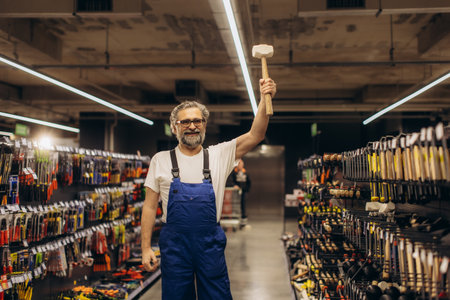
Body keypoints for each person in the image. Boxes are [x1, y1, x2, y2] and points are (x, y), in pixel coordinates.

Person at [141, 78, 277, 300]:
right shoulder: (161, 160)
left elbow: (256, 135)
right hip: (174, 244)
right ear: (174, 127)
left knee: (217, 296)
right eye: (185, 122)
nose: (192, 126)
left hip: (209, 243)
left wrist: (264, 99)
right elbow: (148, 207)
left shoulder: (219, 155)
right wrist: (146, 247)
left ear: (205, 124)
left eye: (198, 121)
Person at [227, 159, 251, 226]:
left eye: (241, 164)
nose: (240, 166)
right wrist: (234, 185)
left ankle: (243, 221)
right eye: (239, 164)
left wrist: (246, 190)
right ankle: (235, 219)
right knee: (235, 206)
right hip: (235, 193)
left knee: (243, 205)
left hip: (243, 192)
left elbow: (249, 182)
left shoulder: (245, 173)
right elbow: (230, 181)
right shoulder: (233, 173)